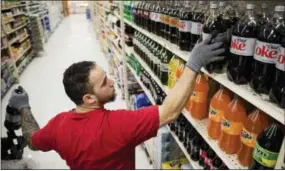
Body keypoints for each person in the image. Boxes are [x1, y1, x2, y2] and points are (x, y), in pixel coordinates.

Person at [8, 35, 225, 169]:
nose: (112, 82)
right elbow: (169, 112)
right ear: (89, 98)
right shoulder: (117, 125)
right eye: (104, 82)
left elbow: (32, 141)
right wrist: (193, 64)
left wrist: (24, 107)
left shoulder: (58, 125)